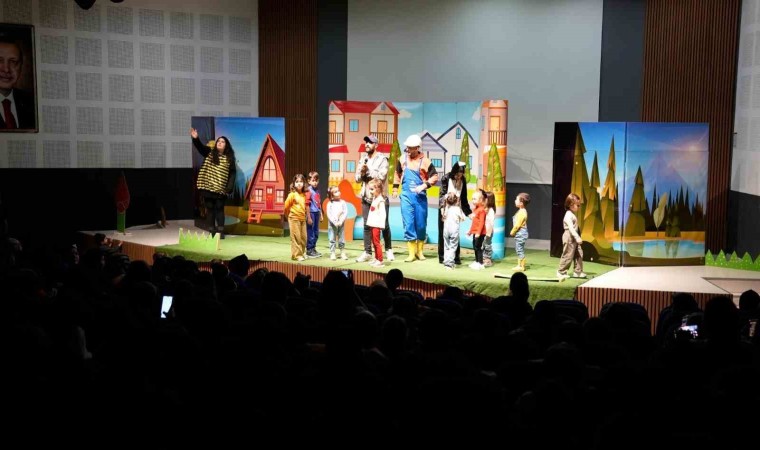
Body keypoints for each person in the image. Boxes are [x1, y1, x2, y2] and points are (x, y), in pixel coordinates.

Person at [392, 134, 439, 262]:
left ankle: (420, 252)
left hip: (420, 197)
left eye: (411, 147)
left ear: (417, 148)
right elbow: (397, 174)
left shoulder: (425, 161)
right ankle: (411, 253)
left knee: (421, 225)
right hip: (406, 196)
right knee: (408, 223)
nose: (408, 149)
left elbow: (435, 176)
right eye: (407, 147)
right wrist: (395, 189)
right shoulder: (402, 159)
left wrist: (424, 185)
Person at [191, 128, 236, 239]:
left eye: (222, 142)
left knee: (219, 209)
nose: (219, 143)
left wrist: (229, 188)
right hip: (207, 187)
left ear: (226, 145)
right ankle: (212, 231)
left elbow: (232, 173)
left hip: (220, 188)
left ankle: (220, 231)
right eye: (218, 141)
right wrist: (196, 138)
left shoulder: (229, 159)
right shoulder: (210, 152)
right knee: (210, 209)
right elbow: (200, 148)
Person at [355, 134, 394, 262]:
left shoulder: (382, 159)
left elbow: (381, 176)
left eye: (370, 142)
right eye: (366, 142)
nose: (367, 144)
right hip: (366, 198)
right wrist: (362, 173)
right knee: (366, 226)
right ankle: (367, 252)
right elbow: (357, 178)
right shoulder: (363, 159)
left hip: (380, 199)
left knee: (384, 225)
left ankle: (388, 249)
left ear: (376, 145)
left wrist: (368, 171)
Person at [437, 161, 471, 264]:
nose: (458, 177)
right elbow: (442, 195)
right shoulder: (446, 178)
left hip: (456, 209)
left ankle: (456, 257)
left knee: (455, 233)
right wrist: (442, 210)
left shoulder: (463, 180)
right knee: (443, 234)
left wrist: (468, 212)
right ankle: (443, 257)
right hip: (445, 209)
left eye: (460, 175)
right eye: (457, 174)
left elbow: (464, 198)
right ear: (454, 172)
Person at [0, 36, 35, 130]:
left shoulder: (33, 101)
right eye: (0, 61)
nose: (6, 69)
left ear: (21, 66)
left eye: (13, 62)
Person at [557, 193, 585, 281]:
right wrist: (577, 237)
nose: (579, 207)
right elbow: (571, 228)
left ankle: (578, 271)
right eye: (578, 205)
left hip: (573, 237)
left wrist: (576, 237)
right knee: (568, 254)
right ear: (571, 205)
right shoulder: (568, 215)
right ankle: (561, 272)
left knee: (579, 253)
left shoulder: (572, 214)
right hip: (569, 236)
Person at [283, 174, 308, 261]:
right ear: (294, 183)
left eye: (301, 181)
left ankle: (301, 253)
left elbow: (305, 207)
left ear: (304, 183)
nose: (299, 183)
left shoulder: (304, 195)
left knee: (304, 238)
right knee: (296, 237)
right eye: (297, 182)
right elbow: (286, 207)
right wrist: (288, 216)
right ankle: (296, 255)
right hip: (294, 218)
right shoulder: (292, 194)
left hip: (302, 219)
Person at [441, 192, 467, 270]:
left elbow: (443, 218)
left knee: (446, 246)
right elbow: (463, 218)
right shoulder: (457, 209)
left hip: (446, 230)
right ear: (456, 200)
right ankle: (449, 264)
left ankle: (446, 261)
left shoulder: (446, 208)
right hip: (454, 231)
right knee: (452, 246)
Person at [366, 179, 387, 268]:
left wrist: (381, 225)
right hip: (372, 224)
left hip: (376, 225)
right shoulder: (375, 198)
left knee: (377, 242)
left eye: (372, 189)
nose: (370, 191)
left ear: (378, 189)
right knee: (374, 242)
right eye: (370, 189)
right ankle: (376, 258)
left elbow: (383, 214)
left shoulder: (380, 200)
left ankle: (380, 260)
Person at [326, 185, 349, 261]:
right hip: (332, 225)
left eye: (338, 191)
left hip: (341, 224)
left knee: (341, 238)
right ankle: (332, 253)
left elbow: (345, 212)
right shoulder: (330, 204)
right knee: (332, 238)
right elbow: (329, 214)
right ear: (331, 196)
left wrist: (341, 221)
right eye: (336, 192)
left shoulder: (343, 202)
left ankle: (342, 252)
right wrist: (335, 221)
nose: (338, 192)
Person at [509, 192, 531, 271]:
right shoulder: (521, 211)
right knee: (518, 248)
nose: (515, 201)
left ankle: (522, 266)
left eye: (516, 199)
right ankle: (519, 265)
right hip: (520, 234)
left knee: (519, 249)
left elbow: (517, 225)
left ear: (521, 203)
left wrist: (512, 232)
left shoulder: (522, 212)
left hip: (521, 234)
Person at [305, 171, 323, 258]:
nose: (315, 182)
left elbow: (319, 203)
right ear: (309, 181)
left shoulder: (317, 191)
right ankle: (309, 249)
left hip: (317, 213)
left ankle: (313, 248)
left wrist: (321, 214)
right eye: (313, 180)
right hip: (311, 213)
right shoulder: (308, 191)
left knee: (316, 232)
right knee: (311, 232)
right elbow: (307, 204)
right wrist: (308, 217)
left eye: (316, 180)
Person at [467, 189, 486, 270]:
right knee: (475, 247)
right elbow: (474, 222)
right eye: (472, 199)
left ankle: (480, 263)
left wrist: (478, 233)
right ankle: (477, 261)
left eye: (475, 199)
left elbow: (481, 222)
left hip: (480, 233)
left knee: (478, 247)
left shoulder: (482, 210)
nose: (473, 201)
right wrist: (470, 231)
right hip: (475, 232)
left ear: (481, 200)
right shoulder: (475, 209)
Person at [482, 191, 497, 268]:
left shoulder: (491, 210)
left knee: (487, 245)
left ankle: (487, 259)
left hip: (488, 231)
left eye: (485, 198)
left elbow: (491, 223)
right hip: (483, 231)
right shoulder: (485, 209)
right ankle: (483, 258)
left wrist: (488, 233)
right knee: (483, 244)